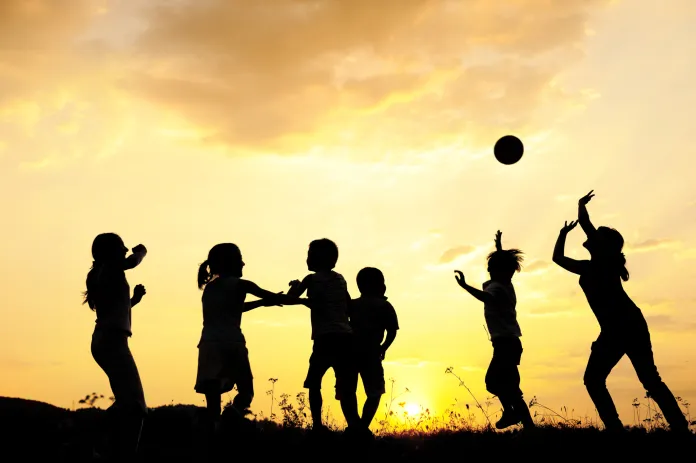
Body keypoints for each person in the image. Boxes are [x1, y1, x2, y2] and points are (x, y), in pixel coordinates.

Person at [552, 191, 690, 433]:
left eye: (596, 235)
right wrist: (572, 218)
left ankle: (632, 429)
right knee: (626, 380)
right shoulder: (592, 265)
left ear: (602, 245)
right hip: (622, 326)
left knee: (621, 379)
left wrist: (575, 214)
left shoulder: (601, 264)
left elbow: (569, 244)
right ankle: (664, 428)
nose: (590, 235)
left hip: (624, 326)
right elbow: (561, 254)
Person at [195, 243, 310, 435]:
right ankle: (234, 412)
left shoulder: (210, 288)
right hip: (233, 343)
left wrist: (262, 303)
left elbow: (233, 308)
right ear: (230, 263)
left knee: (212, 399)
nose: (243, 263)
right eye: (240, 259)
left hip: (208, 345)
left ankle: (212, 433)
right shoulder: (242, 284)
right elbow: (278, 298)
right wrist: (302, 298)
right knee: (246, 391)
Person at [454, 230, 535, 429]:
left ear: (502, 270)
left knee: (493, 382)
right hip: (508, 343)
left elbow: (487, 298)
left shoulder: (497, 289)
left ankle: (512, 413)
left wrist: (465, 286)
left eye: (492, 267)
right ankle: (527, 425)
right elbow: (504, 265)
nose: (489, 270)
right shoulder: (505, 284)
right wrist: (499, 246)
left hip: (506, 344)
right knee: (511, 388)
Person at [287, 238, 362, 436]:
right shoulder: (340, 279)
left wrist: (295, 287)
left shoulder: (310, 280)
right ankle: (355, 425)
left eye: (309, 256)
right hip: (345, 338)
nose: (307, 260)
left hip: (324, 339)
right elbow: (347, 305)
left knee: (314, 383)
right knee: (346, 386)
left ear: (317, 259)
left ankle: (318, 425)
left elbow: (291, 298)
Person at [83, 233, 148, 461]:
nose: (125, 250)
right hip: (112, 342)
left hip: (105, 340)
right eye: (122, 247)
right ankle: (121, 455)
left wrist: (134, 302)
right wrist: (141, 252)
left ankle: (100, 443)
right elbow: (131, 262)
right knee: (137, 407)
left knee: (127, 403)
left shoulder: (101, 274)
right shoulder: (111, 268)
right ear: (110, 252)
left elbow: (115, 309)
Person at [336, 267, 399, 432]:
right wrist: (383, 347)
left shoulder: (353, 305)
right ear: (381, 286)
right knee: (375, 392)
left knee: (346, 391)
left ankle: (355, 425)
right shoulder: (385, 306)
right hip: (371, 354)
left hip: (348, 353)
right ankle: (362, 426)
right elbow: (392, 331)